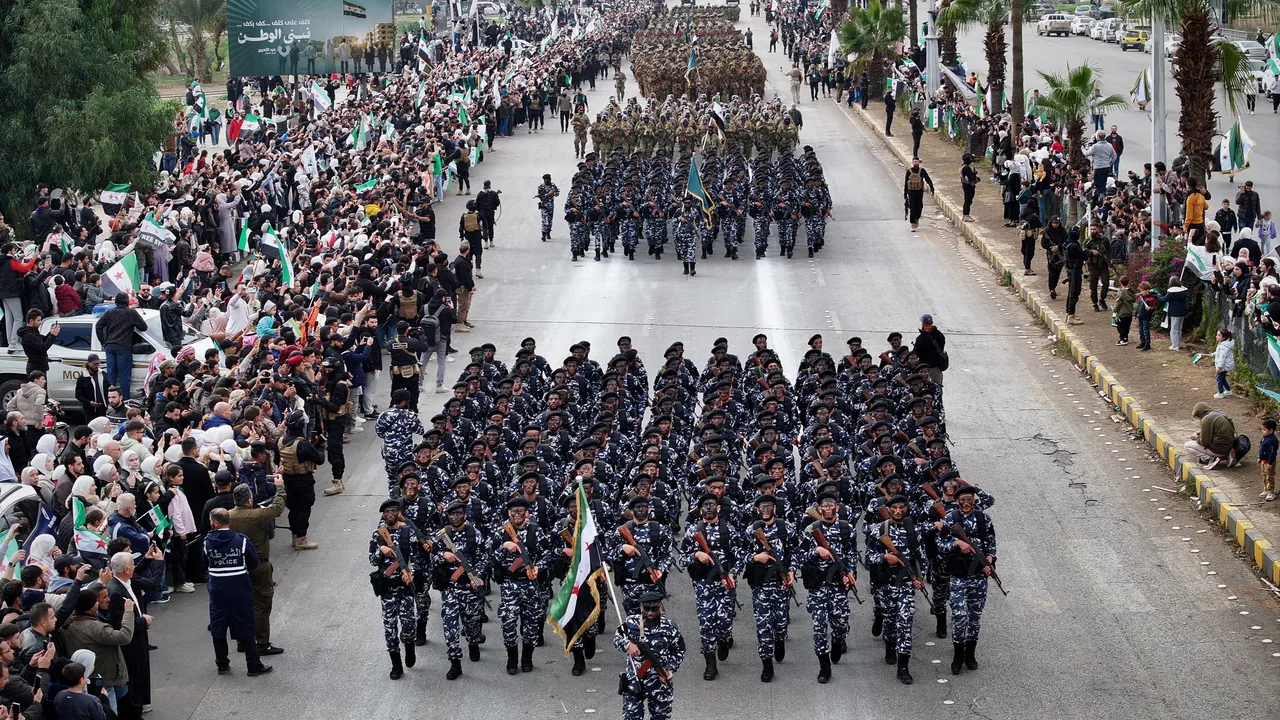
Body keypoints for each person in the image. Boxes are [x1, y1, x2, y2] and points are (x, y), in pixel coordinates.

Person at [865, 494, 926, 684]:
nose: (898, 511)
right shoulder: (878, 530)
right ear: (889, 510)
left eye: (902, 508)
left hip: (906, 585)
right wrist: (884, 558)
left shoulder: (913, 530)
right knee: (890, 623)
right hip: (885, 585)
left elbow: (920, 558)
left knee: (905, 624)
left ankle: (903, 668)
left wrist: (919, 578)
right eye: (894, 508)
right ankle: (889, 646)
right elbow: (868, 558)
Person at [203, 509, 273, 677]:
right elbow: (253, 562)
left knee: (218, 625)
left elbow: (204, 563)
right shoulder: (240, 540)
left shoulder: (207, 542)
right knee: (246, 624)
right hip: (239, 588)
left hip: (218, 589)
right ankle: (253, 664)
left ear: (215, 523)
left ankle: (222, 663)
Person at [937, 486, 997, 676]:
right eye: (962, 499)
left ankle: (970, 654)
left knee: (974, 618)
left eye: (969, 499)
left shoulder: (983, 519)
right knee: (959, 616)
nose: (965, 503)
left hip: (978, 576)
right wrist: (956, 543)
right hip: (959, 576)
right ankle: (958, 655)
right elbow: (940, 544)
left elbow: (991, 545)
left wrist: (989, 561)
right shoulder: (950, 519)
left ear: (974, 501)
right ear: (956, 501)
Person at [798, 492, 857, 684]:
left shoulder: (847, 528)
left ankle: (838, 641)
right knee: (819, 627)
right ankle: (824, 666)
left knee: (840, 624)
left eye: (832, 504)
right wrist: (816, 550)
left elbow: (852, 555)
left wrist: (850, 575)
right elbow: (799, 556)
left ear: (837, 508)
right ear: (819, 509)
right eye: (824, 505)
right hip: (818, 587)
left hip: (839, 586)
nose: (828, 508)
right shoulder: (811, 529)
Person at [679, 493, 738, 681]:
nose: (709, 507)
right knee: (706, 624)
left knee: (724, 621)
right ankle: (710, 664)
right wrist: (696, 555)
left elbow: (739, 557)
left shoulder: (728, 530)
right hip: (703, 583)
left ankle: (723, 639)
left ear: (719, 508)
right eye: (705, 505)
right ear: (700, 509)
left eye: (712, 504)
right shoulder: (693, 532)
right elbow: (682, 559)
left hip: (724, 584)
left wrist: (731, 574)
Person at [227, 478, 286, 657]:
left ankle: (242, 640)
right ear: (250, 500)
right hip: (259, 565)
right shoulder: (256, 516)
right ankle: (262, 643)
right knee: (261, 605)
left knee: (240, 604)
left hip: (236, 567)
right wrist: (280, 487)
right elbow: (278, 507)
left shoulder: (227, 516)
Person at [612, 590, 685, 720]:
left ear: (661, 608)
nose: (650, 613)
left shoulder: (669, 628)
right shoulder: (630, 623)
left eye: (654, 609)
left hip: (659, 681)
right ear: (641, 608)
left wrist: (670, 669)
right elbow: (617, 639)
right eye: (646, 609)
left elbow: (679, 650)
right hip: (635, 679)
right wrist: (627, 645)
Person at [370, 498, 420, 680]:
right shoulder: (378, 535)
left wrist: (411, 573)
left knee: (408, 625)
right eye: (386, 513)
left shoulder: (408, 533)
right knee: (390, 627)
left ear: (398, 513)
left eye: (393, 512)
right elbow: (372, 561)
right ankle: (396, 664)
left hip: (405, 587)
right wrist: (380, 551)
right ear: (383, 515)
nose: (389, 515)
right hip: (388, 588)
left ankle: (409, 646)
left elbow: (417, 558)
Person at [278, 411, 323, 550]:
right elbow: (319, 459)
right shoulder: (302, 444)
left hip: (287, 480)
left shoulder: (281, 441)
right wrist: (320, 445)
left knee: (293, 509)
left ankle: (295, 536)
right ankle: (301, 539)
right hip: (303, 481)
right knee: (303, 509)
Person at [95, 293, 146, 398]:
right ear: (127, 301)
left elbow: (98, 326)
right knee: (124, 377)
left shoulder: (110, 312)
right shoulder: (131, 312)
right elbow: (143, 327)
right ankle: (125, 401)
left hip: (109, 347)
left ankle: (110, 400)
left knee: (111, 377)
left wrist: (103, 342)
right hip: (123, 347)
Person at [1184, 402, 1240, 469]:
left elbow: (1205, 442)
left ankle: (1210, 458)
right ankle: (1225, 455)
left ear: (1199, 413)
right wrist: (1199, 433)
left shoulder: (1206, 419)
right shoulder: (1217, 414)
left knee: (1187, 445)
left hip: (1219, 449)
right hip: (1229, 446)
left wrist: (1196, 438)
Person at [17, 309, 59, 374]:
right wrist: (53, 336)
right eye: (38, 320)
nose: (40, 322)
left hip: (40, 366)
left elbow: (41, 340)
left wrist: (51, 333)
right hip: (35, 368)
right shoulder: (28, 335)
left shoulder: (33, 331)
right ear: (31, 321)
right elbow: (42, 348)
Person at [912, 314, 947, 386]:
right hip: (937, 370)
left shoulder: (921, 339)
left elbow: (915, 354)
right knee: (937, 390)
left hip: (923, 371)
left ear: (923, 324)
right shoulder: (940, 335)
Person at [1156, 277, 1188, 350]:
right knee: (1179, 329)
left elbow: (1162, 299)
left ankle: (1175, 346)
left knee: (1174, 329)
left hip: (1175, 313)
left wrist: (1158, 295)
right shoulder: (1183, 291)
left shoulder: (1171, 292)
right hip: (1182, 312)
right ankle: (1177, 344)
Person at [902, 158, 934, 231]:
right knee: (912, 207)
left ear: (919, 162)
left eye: (917, 161)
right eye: (915, 161)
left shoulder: (922, 171)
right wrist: (905, 193)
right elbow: (906, 183)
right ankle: (913, 224)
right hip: (911, 192)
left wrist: (932, 188)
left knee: (919, 207)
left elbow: (928, 179)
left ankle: (917, 218)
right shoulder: (909, 171)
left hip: (919, 192)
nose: (916, 163)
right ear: (912, 162)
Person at [74, 353, 108, 420]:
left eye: (98, 364)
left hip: (104, 409)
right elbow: (78, 395)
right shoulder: (82, 378)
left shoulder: (103, 374)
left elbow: (108, 388)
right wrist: (89, 402)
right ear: (89, 363)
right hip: (90, 411)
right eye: (95, 364)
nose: (97, 366)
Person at [1212, 329, 1235, 399]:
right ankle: (1228, 390)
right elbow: (1219, 353)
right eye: (1217, 335)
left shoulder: (1224, 347)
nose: (1216, 336)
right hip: (1225, 365)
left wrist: (1219, 367)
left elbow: (1222, 357)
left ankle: (1220, 392)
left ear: (1224, 337)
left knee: (1219, 378)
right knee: (1222, 378)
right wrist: (1213, 354)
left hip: (1224, 366)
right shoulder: (1223, 344)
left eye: (1219, 335)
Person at [1258, 419, 1277, 502]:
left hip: (1269, 462)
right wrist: (1260, 457)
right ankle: (1266, 489)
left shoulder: (1273, 440)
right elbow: (1261, 449)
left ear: (1271, 430)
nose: (1262, 431)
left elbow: (1273, 452)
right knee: (1264, 475)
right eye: (1262, 429)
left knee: (1270, 476)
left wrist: (1270, 462)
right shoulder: (1264, 438)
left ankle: (1271, 491)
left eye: (1264, 429)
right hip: (1263, 460)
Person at [1114, 276, 1135, 346]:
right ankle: (1125, 338)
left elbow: (1118, 302)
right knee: (1127, 326)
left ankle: (1123, 339)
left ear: (1120, 282)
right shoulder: (1131, 291)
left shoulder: (1121, 292)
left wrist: (1115, 310)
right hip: (1129, 312)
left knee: (1120, 326)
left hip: (1122, 312)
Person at [960, 153, 979, 222]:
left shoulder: (964, 167)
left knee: (968, 200)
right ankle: (966, 215)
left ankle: (966, 214)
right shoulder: (966, 168)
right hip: (968, 186)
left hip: (966, 186)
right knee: (968, 200)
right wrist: (974, 174)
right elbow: (970, 177)